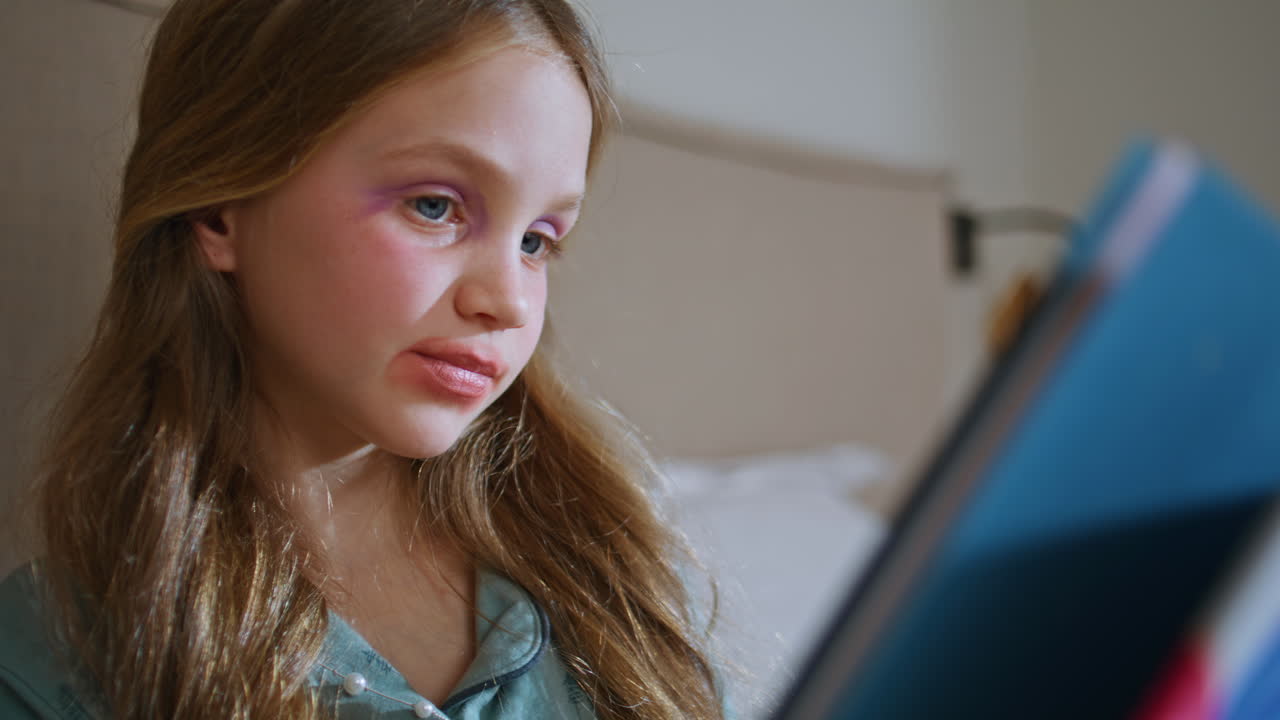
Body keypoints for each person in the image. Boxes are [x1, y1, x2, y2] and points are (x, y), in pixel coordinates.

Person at [0, 1, 726, 718]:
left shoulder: (619, 584)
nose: (507, 302)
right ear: (220, 207)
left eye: (536, 240)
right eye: (435, 206)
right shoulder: (49, 659)